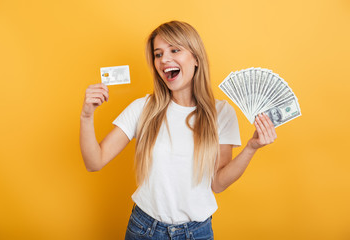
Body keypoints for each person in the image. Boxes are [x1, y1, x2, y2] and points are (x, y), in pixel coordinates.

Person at [80, 20, 277, 240]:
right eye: (158, 54)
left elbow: (218, 184)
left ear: (195, 58)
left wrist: (251, 148)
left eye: (175, 50)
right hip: (144, 230)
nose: (164, 59)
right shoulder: (143, 108)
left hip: (197, 233)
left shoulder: (221, 113)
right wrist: (87, 116)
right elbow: (94, 162)